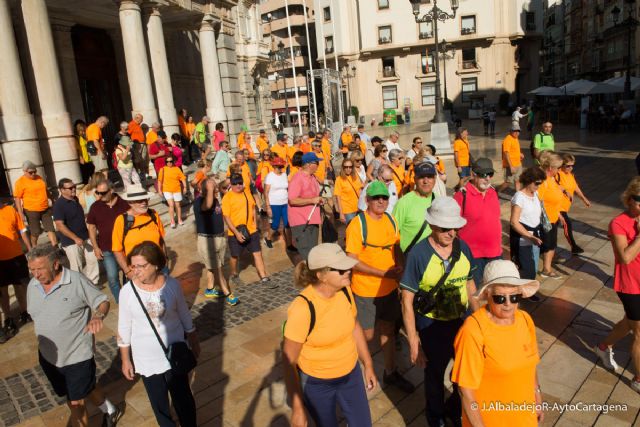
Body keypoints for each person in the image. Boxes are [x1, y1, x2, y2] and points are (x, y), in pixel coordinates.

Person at [400, 197, 479, 427]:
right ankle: (435, 417)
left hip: (461, 320)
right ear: (432, 226)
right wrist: (413, 339)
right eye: (445, 228)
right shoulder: (418, 254)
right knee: (434, 375)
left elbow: (470, 284)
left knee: (463, 373)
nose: (451, 233)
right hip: (431, 325)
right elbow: (407, 299)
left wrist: (479, 320)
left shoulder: (463, 247)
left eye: (455, 227)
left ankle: (455, 408)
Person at [282, 244, 377, 427]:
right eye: (341, 269)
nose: (348, 271)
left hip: (351, 375)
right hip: (317, 384)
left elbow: (354, 326)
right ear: (321, 275)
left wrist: (368, 364)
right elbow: (288, 361)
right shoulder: (303, 308)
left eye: (347, 266)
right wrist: (298, 408)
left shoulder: (345, 291)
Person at [26, 244, 121, 426]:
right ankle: (109, 409)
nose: (35, 274)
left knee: (75, 402)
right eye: (32, 270)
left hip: (77, 355)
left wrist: (97, 316)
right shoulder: (33, 285)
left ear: (55, 264)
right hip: (49, 356)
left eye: (39, 269)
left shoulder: (76, 281)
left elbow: (102, 301)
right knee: (86, 388)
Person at [452, 260, 542, 426]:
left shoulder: (525, 320)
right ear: (487, 295)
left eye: (514, 297)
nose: (508, 304)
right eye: (500, 298)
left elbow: (531, 364)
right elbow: (466, 390)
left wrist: (537, 395)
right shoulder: (473, 330)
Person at [118, 242, 199, 426]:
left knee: (183, 399)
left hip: (175, 351)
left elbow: (184, 314)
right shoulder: (127, 292)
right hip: (146, 359)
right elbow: (124, 328)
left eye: (141, 266)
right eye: (133, 266)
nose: (135, 271)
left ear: (156, 264)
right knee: (159, 404)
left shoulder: (172, 284)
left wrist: (194, 341)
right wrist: (125, 360)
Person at [346, 182, 415, 393]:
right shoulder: (357, 225)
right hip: (366, 290)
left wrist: (401, 268)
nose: (381, 201)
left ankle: (390, 372)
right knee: (366, 335)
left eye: (384, 198)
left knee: (388, 330)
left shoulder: (391, 220)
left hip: (389, 289)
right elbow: (352, 260)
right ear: (367, 200)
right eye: (376, 198)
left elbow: (396, 249)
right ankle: (356, 370)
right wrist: (382, 273)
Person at [594, 177, 640, 385]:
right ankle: (638, 380)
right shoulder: (618, 223)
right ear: (629, 199)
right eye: (639, 199)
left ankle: (603, 347)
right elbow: (625, 258)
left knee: (629, 324)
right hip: (631, 285)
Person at [454, 158, 503, 285]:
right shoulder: (461, 196)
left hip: (494, 252)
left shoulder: (492, 192)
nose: (487, 178)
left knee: (495, 291)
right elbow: (452, 227)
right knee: (473, 293)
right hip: (473, 255)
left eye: (490, 174)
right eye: (482, 175)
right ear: (473, 174)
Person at [221, 173, 272, 286]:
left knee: (257, 254)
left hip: (251, 231)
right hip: (235, 233)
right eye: (235, 183)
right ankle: (234, 274)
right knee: (235, 256)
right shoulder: (227, 198)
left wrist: (254, 222)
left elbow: (253, 207)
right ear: (231, 184)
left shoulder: (247, 193)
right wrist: (236, 233)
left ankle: (264, 277)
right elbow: (227, 218)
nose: (238, 185)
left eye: (240, 182)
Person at [194, 178, 237, 304]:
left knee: (212, 267)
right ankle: (227, 293)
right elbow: (207, 206)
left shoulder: (216, 199)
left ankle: (210, 289)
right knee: (218, 269)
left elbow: (223, 187)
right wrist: (210, 188)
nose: (214, 188)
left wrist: (225, 183)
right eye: (211, 187)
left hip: (219, 238)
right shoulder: (199, 201)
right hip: (208, 241)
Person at [87, 181, 130, 303]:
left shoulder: (124, 203)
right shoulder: (95, 206)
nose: (100, 195)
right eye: (98, 193)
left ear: (111, 190)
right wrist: (95, 247)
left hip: (124, 247)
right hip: (106, 248)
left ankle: (130, 297)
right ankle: (121, 301)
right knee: (112, 278)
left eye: (103, 193)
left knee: (128, 274)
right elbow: (92, 228)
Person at [112, 185, 166, 277]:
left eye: (145, 199)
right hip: (137, 272)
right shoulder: (121, 221)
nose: (144, 203)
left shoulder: (153, 214)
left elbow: (161, 240)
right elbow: (117, 250)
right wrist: (128, 271)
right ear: (130, 202)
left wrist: (164, 261)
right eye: (140, 200)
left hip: (158, 267)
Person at [53, 178, 100, 285]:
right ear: (62, 190)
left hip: (85, 236)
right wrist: (75, 238)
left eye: (74, 186)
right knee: (76, 267)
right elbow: (60, 225)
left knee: (93, 260)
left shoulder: (75, 199)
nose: (73, 189)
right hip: (71, 242)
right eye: (70, 188)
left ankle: (93, 283)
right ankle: (78, 286)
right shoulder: (59, 205)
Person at [0, 196, 32, 342]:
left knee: (20, 287)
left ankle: (24, 311)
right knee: (3, 292)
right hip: (0, 261)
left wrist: (30, 249)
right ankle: (7, 319)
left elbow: (22, 230)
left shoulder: (10, 210)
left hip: (17, 256)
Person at [510, 167, 546, 286]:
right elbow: (514, 222)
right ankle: (521, 293)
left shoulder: (535, 193)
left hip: (534, 237)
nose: (538, 186)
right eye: (537, 183)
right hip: (523, 239)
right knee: (526, 269)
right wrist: (529, 237)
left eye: (540, 183)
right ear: (529, 181)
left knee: (533, 267)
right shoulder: (519, 197)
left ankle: (528, 291)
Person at [393, 162, 437, 254]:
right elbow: (393, 234)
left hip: (435, 259)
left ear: (435, 179)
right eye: (421, 177)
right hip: (410, 258)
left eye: (429, 177)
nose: (426, 181)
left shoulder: (439, 200)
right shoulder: (404, 203)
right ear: (415, 179)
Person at [288, 152, 323, 260]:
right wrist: (312, 200)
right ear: (308, 164)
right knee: (306, 252)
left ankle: (312, 274)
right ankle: (308, 275)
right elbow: (292, 200)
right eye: (316, 162)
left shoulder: (312, 177)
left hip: (313, 218)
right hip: (301, 221)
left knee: (313, 251)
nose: (318, 164)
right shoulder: (298, 178)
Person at [14, 161, 57, 247]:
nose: (33, 173)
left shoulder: (39, 178)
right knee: (36, 232)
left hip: (45, 208)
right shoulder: (20, 182)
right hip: (31, 210)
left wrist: (53, 200)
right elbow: (17, 198)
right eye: (31, 172)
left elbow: (45, 190)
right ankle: (34, 247)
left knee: (50, 229)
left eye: (35, 171)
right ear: (25, 171)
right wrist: (20, 213)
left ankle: (55, 247)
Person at [537, 151, 565, 278]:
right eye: (558, 168)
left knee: (551, 244)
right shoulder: (543, 181)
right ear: (550, 168)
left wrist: (559, 214)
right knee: (547, 244)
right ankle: (546, 269)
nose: (560, 170)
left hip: (553, 217)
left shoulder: (551, 178)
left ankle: (546, 267)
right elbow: (538, 200)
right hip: (545, 219)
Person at [556, 154, 591, 254]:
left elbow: (576, 188)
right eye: (568, 166)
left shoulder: (570, 175)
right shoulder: (557, 174)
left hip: (565, 207)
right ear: (561, 165)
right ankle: (574, 247)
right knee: (567, 225)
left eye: (572, 166)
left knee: (552, 229)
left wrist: (584, 199)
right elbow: (553, 185)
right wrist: (564, 190)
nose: (570, 168)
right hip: (558, 207)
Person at [264, 157, 294, 251]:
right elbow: (266, 192)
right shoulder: (270, 176)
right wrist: (268, 207)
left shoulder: (284, 175)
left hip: (285, 203)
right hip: (274, 203)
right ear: (274, 166)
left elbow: (288, 187)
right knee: (275, 224)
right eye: (279, 166)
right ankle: (268, 238)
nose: (280, 168)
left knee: (287, 224)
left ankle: (289, 244)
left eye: (282, 166)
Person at [158, 156, 187, 228]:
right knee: (171, 205)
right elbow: (159, 181)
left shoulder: (177, 169)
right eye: (167, 161)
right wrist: (159, 190)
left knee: (178, 205)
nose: (169, 163)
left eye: (170, 161)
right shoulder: (162, 169)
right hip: (167, 190)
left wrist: (185, 187)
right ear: (165, 162)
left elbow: (183, 178)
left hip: (177, 189)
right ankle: (172, 221)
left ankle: (179, 219)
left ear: (173, 161)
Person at [334, 158, 363, 225]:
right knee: (351, 229)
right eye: (346, 167)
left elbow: (360, 190)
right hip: (347, 210)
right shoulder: (339, 179)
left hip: (358, 208)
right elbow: (338, 197)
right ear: (343, 168)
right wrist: (341, 213)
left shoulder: (355, 177)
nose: (348, 169)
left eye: (350, 167)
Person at [497, 126, 524, 193]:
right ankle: (497, 191)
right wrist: (511, 166)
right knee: (508, 182)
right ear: (511, 131)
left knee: (518, 180)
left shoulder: (515, 138)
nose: (517, 133)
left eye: (518, 131)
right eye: (515, 131)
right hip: (511, 165)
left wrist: (520, 154)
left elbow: (514, 149)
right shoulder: (507, 140)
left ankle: (518, 194)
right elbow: (506, 153)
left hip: (518, 163)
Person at [74, 119, 94, 184]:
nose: (83, 132)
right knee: (85, 179)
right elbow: (77, 149)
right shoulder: (77, 138)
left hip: (90, 159)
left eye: (84, 131)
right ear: (77, 130)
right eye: (81, 131)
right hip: (84, 161)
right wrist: (80, 158)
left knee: (94, 177)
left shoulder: (85, 137)